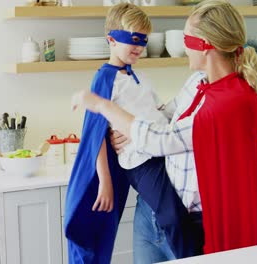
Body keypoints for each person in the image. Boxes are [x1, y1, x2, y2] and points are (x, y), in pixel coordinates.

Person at [72, 0, 257, 258]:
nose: (184, 46)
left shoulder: (228, 102)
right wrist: (130, 126)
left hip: (187, 223)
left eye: (187, 38)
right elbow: (169, 113)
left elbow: (162, 140)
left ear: (205, 46)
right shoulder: (199, 81)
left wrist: (103, 106)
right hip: (149, 209)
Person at [64, 3, 199, 264]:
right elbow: (96, 136)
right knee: (172, 215)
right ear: (111, 40)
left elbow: (155, 111)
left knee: (181, 212)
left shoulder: (139, 77)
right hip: (140, 161)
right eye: (132, 39)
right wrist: (105, 181)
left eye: (144, 40)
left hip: (160, 152)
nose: (139, 46)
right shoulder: (105, 78)